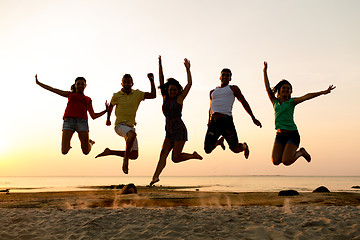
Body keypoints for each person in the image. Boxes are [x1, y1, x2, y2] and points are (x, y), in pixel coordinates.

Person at [263, 61, 335, 166]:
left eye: (288, 88)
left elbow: (307, 96)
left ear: (290, 92)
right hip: (279, 135)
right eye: (284, 88)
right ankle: (297, 152)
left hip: (292, 134)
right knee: (276, 161)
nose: (286, 90)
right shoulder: (275, 102)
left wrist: (323, 92)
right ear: (279, 90)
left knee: (286, 161)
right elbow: (267, 87)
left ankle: (301, 152)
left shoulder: (292, 102)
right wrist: (265, 71)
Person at [149, 56, 203, 187]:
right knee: (163, 154)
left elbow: (189, 84)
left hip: (179, 130)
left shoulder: (180, 98)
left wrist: (188, 69)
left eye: (174, 90)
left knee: (175, 158)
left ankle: (193, 155)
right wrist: (160, 65)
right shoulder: (164, 97)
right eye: (170, 89)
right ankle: (155, 177)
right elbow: (161, 80)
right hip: (169, 130)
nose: (172, 91)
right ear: (167, 90)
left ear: (177, 90)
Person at [96, 73, 156, 174]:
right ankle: (125, 160)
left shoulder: (137, 94)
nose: (127, 84)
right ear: (122, 84)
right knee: (132, 135)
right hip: (120, 125)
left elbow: (153, 95)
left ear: (132, 83)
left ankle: (110, 151)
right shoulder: (116, 95)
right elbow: (110, 107)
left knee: (134, 155)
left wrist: (151, 80)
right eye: (125, 82)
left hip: (131, 126)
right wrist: (108, 119)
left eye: (129, 82)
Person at [35, 74, 108, 155]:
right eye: (78, 84)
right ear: (75, 85)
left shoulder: (88, 99)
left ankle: (90, 142)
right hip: (69, 122)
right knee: (64, 151)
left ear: (85, 86)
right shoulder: (70, 95)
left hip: (82, 123)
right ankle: (68, 146)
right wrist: (38, 83)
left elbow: (93, 116)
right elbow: (53, 89)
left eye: (82, 84)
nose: (80, 86)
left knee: (86, 151)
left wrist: (105, 111)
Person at [204, 68, 262, 158]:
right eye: (223, 75)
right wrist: (209, 122)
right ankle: (219, 142)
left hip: (226, 122)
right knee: (207, 149)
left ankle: (245, 146)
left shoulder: (233, 89)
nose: (225, 77)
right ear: (220, 77)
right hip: (214, 122)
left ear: (230, 78)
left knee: (235, 149)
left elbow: (244, 102)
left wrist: (253, 117)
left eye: (227, 75)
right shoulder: (212, 92)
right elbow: (210, 108)